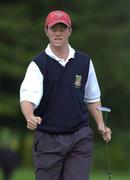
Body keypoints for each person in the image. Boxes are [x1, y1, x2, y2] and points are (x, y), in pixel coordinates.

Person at [20, 10, 112, 180]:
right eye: (54, 29)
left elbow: (92, 98)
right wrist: (29, 116)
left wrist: (100, 124)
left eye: (62, 29)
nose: (58, 33)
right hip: (48, 138)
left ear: (70, 31)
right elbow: (27, 98)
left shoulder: (84, 62)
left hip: (79, 136)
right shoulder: (38, 64)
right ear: (46, 31)